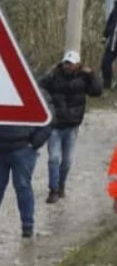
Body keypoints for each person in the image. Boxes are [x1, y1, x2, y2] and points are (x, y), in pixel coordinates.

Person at [39, 51, 104, 204]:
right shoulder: (54, 75)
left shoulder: (84, 78)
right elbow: (39, 87)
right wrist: (49, 73)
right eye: (66, 63)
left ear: (78, 65)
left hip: (72, 126)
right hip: (55, 125)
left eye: (71, 63)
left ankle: (61, 185)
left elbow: (97, 91)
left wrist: (92, 74)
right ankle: (53, 190)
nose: (67, 66)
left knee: (67, 161)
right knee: (54, 159)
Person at [0, 119, 52, 237]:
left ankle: (27, 227)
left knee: (22, 186)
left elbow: (48, 117)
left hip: (22, 148)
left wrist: (35, 143)